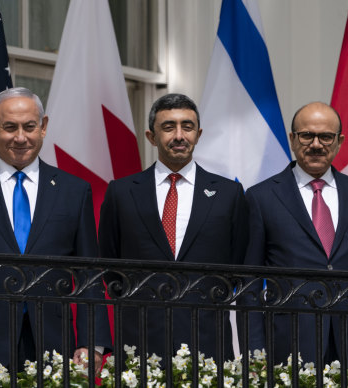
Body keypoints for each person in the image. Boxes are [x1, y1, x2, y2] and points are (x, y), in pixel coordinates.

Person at [0, 87, 111, 380]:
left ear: (43, 127)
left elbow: (88, 274)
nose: (20, 137)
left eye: (29, 127)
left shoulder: (74, 191)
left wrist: (92, 341)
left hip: (53, 341)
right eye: (10, 127)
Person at [98, 93, 249, 362]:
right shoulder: (121, 192)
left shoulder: (230, 193)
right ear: (151, 136)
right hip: (139, 340)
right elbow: (110, 264)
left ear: (198, 134)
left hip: (208, 340)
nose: (179, 135)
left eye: (187, 127)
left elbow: (238, 265)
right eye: (168, 127)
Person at [244, 101, 348, 366]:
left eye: (326, 136)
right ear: (292, 139)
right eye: (306, 135)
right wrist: (256, 352)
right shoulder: (261, 197)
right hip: (288, 343)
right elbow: (250, 284)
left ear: (340, 141)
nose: (316, 144)